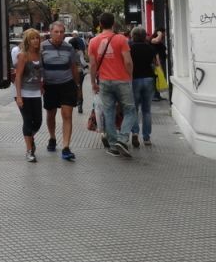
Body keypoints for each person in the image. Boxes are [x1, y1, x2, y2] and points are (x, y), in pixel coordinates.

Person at [89, 12, 136, 158]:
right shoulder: (121, 39)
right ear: (113, 23)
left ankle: (113, 144)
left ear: (100, 24)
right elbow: (128, 61)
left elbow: (92, 65)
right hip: (122, 80)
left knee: (108, 112)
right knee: (130, 110)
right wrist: (130, 76)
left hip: (104, 81)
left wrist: (93, 83)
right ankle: (122, 139)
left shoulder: (93, 41)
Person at [40, 21, 79, 161]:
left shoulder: (69, 48)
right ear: (50, 32)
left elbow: (74, 67)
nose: (59, 34)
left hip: (67, 84)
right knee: (51, 114)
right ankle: (52, 137)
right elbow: (38, 66)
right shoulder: (42, 47)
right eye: (56, 32)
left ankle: (66, 147)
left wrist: (78, 86)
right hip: (50, 85)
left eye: (62, 32)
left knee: (67, 115)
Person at [14, 29, 43, 162]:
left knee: (38, 121)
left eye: (37, 38)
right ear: (27, 41)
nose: (35, 40)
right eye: (32, 38)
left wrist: (42, 86)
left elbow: (41, 74)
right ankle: (29, 151)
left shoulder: (40, 54)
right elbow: (18, 76)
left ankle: (30, 139)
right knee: (27, 121)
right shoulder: (22, 55)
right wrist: (19, 96)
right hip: (24, 93)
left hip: (36, 93)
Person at [129, 26, 159, 147]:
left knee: (134, 109)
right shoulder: (150, 48)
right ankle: (146, 138)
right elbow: (156, 63)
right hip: (149, 79)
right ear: (144, 36)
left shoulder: (129, 48)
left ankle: (135, 133)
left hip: (134, 79)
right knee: (146, 110)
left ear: (133, 36)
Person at [151, 28, 167, 101]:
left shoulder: (159, 41)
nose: (164, 34)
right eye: (163, 33)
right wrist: (160, 34)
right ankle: (155, 95)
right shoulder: (153, 40)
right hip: (157, 63)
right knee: (156, 78)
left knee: (159, 78)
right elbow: (156, 54)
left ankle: (158, 95)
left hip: (161, 61)